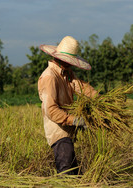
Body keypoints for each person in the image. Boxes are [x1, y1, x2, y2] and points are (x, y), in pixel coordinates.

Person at [38, 36, 97, 175]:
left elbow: (81, 88)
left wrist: (101, 100)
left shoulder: (67, 73)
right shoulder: (50, 77)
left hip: (67, 131)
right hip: (58, 132)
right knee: (67, 174)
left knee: (73, 172)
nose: (71, 65)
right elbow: (51, 110)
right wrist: (75, 120)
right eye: (69, 62)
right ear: (61, 59)